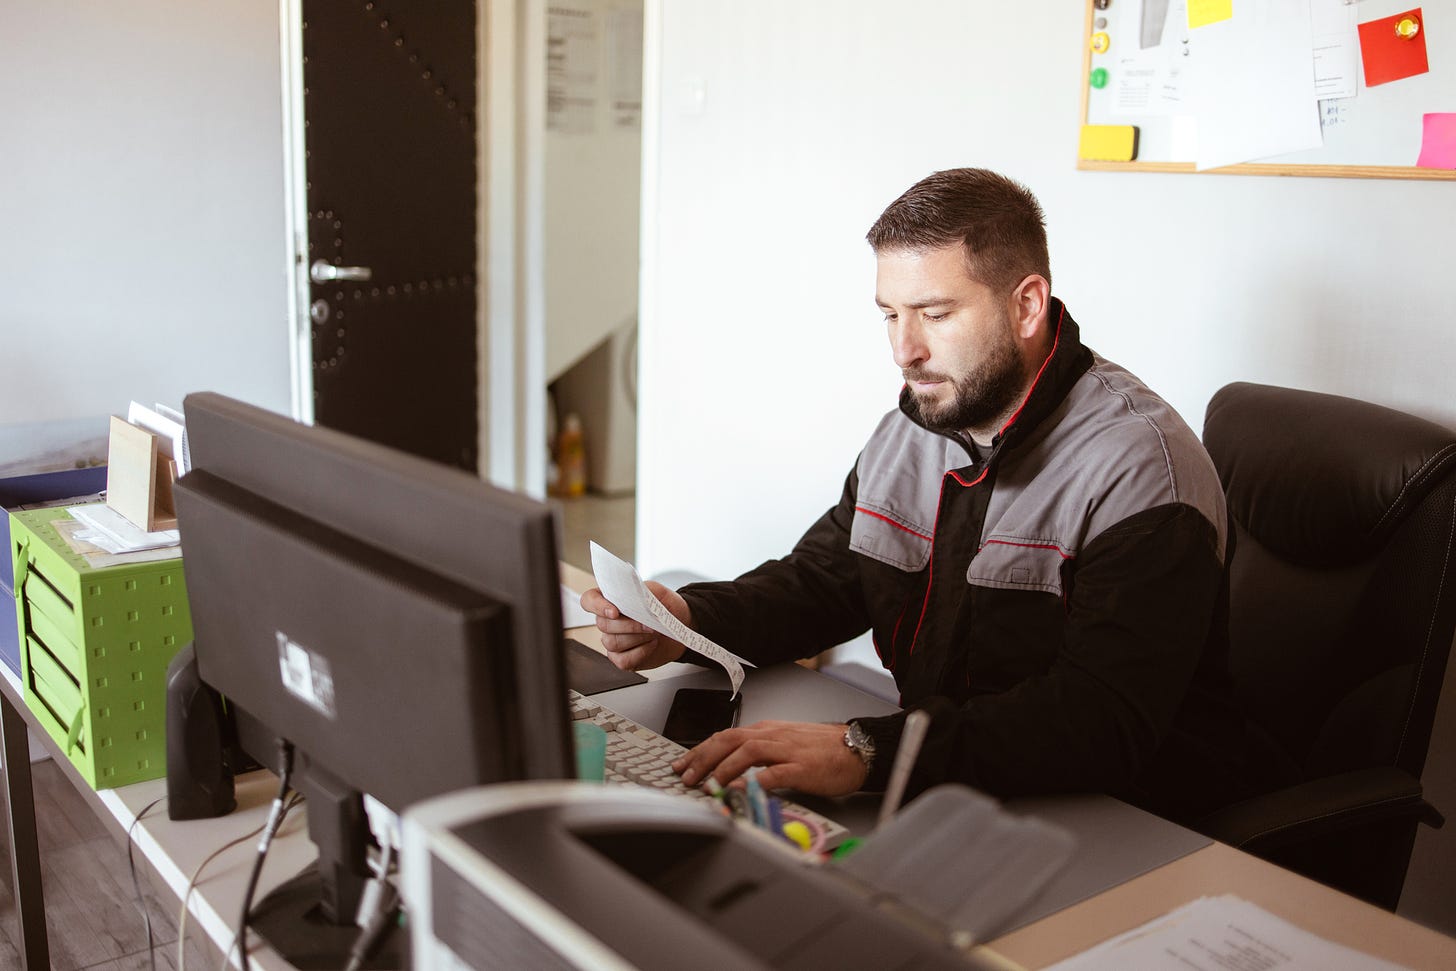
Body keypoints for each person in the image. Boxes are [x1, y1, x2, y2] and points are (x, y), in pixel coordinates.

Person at [582, 168, 1251, 822]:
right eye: (890, 314)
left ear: (1027, 305)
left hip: (1127, 821)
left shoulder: (1142, 471)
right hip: (954, 786)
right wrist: (686, 621)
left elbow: (1096, 722)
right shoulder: (918, 424)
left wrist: (867, 749)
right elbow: (823, 582)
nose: (905, 350)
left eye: (935, 313)